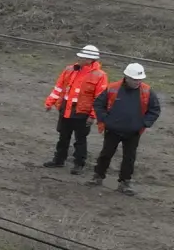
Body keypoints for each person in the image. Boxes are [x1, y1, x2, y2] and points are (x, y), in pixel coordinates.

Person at [89, 63, 160, 196]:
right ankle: (98, 176)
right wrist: (105, 119)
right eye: (135, 79)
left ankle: (125, 182)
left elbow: (154, 110)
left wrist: (144, 123)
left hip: (133, 132)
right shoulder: (112, 88)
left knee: (129, 158)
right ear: (126, 77)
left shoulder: (147, 91)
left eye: (140, 79)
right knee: (106, 154)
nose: (138, 82)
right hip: (112, 130)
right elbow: (99, 104)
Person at [44, 44, 108, 174]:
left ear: (90, 60)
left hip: (82, 113)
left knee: (80, 139)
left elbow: (100, 98)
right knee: (63, 136)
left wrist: (92, 115)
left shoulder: (100, 75)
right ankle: (59, 160)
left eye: (82, 57)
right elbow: (59, 87)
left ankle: (79, 164)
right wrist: (50, 102)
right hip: (66, 109)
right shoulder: (69, 69)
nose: (79, 59)